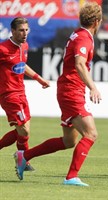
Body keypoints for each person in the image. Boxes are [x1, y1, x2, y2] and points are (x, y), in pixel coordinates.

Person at [14, 2, 102, 187]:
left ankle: (25, 156)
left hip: (69, 89)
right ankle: (71, 177)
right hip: (72, 90)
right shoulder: (84, 38)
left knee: (69, 141)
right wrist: (92, 86)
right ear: (96, 21)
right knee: (91, 134)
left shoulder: (78, 34)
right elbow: (79, 64)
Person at [0, 17, 50, 171]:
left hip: (22, 92)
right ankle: (24, 160)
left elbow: (22, 65)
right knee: (24, 130)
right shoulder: (3, 49)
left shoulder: (24, 46)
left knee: (22, 131)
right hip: (9, 95)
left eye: (26, 30)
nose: (24, 33)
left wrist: (39, 78)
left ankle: (24, 160)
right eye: (21, 30)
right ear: (13, 31)